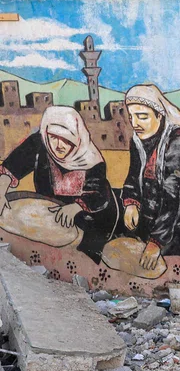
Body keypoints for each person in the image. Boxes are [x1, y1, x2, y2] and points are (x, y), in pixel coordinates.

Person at [0, 106, 119, 262]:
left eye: (66, 140)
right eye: (54, 137)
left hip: (91, 219)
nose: (58, 145)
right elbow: (14, 165)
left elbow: (100, 196)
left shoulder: (92, 161)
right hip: (53, 216)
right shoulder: (40, 143)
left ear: (77, 138)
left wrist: (77, 207)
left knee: (85, 257)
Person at [121, 84, 180, 271]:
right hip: (151, 220)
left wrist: (156, 242)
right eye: (131, 117)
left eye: (142, 116)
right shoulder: (138, 141)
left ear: (159, 115)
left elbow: (172, 195)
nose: (135, 123)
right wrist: (131, 203)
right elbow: (132, 177)